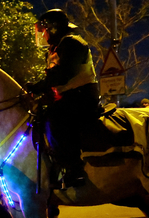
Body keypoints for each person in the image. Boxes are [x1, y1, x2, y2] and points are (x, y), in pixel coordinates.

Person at [27, 9, 99, 189]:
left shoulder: (72, 43)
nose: (42, 34)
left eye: (43, 30)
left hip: (81, 95)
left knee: (56, 120)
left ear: (53, 28)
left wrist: (34, 87)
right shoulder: (55, 48)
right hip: (67, 95)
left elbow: (62, 76)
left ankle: (74, 170)